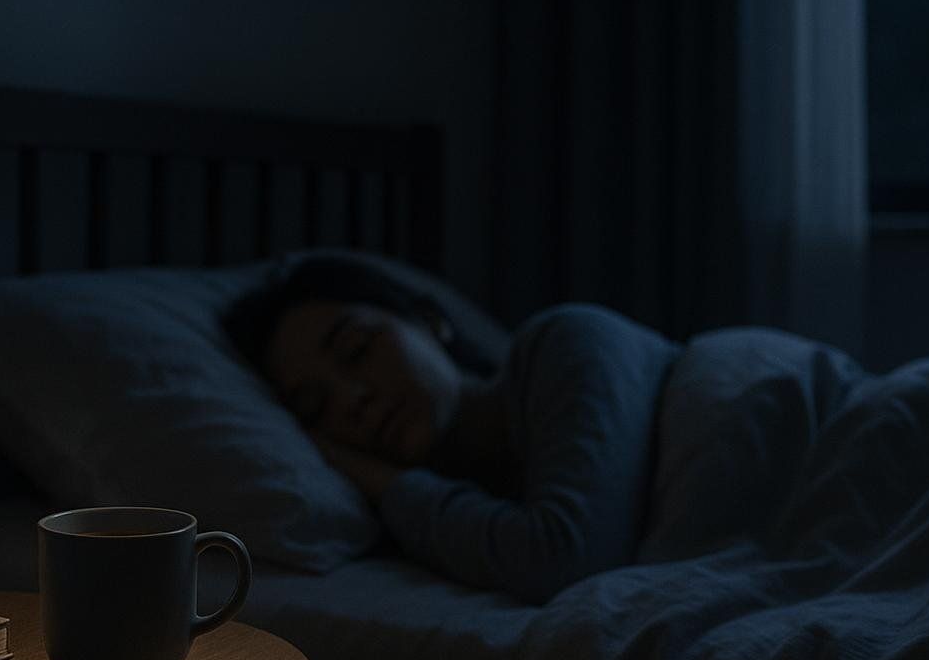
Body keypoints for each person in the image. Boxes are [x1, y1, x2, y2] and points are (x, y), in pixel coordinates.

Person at [222, 257, 678, 604]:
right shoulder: (443, 529)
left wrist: (379, 479)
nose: (349, 401)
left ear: (430, 320)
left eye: (356, 349)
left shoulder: (569, 341)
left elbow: (563, 559)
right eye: (314, 407)